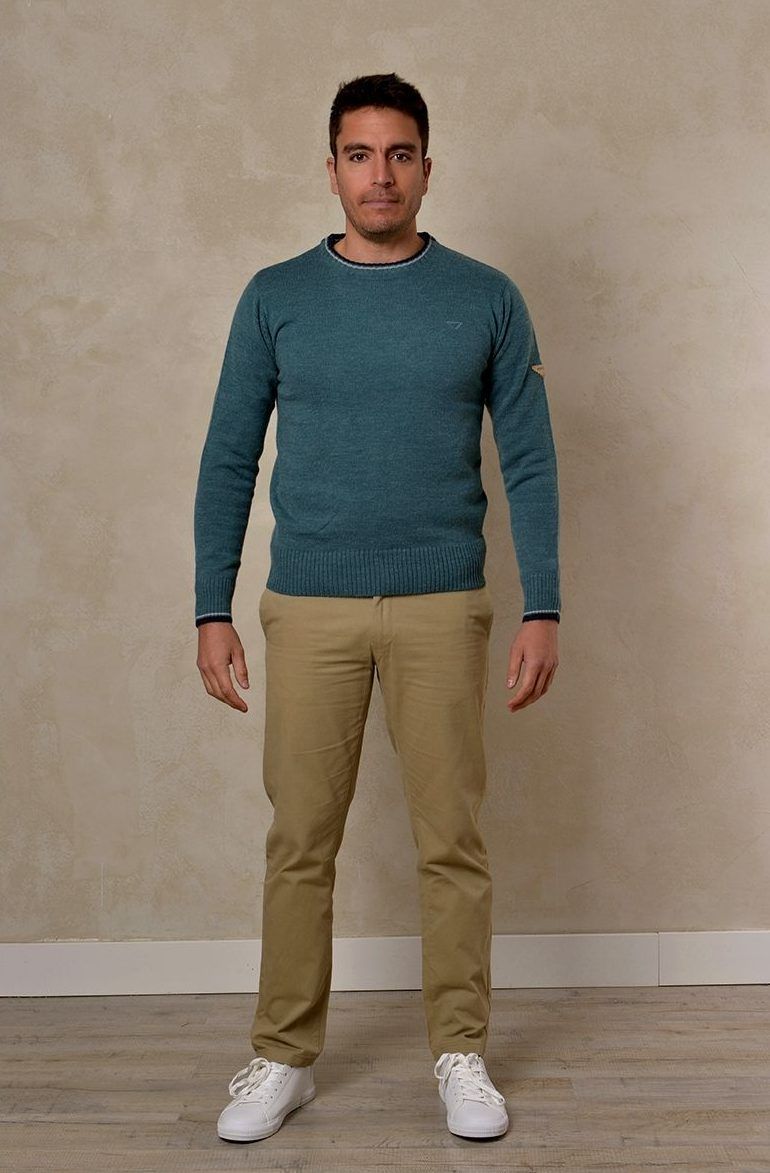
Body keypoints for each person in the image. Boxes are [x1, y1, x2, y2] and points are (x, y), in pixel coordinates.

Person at [194, 71, 561, 1145]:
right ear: (332, 170)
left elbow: (529, 461)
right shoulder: (274, 296)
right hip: (307, 604)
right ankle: (282, 1056)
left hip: (444, 603)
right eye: (359, 154)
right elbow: (228, 456)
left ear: (427, 169)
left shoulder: (486, 297)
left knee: (451, 840)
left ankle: (460, 1051)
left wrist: (543, 605)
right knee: (299, 841)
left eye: (399, 154)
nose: (380, 174)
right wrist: (210, 606)